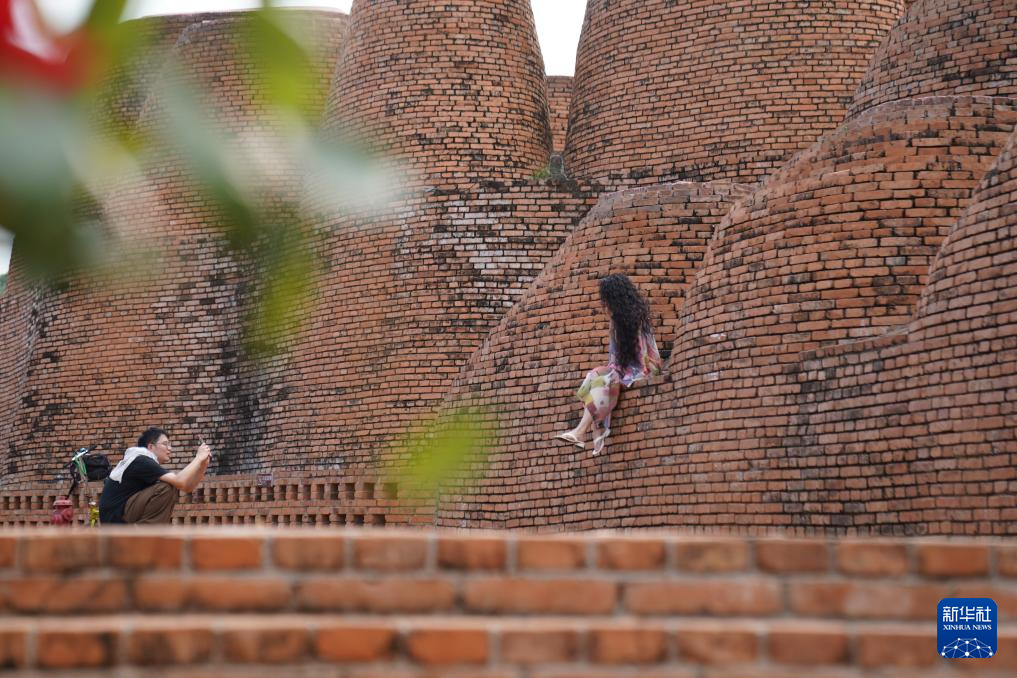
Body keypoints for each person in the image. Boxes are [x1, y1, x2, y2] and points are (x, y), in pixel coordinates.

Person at [555, 274, 662, 456]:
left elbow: (644, 356)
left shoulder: (636, 320)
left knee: (605, 378)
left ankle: (582, 432)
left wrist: (618, 374)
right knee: (595, 375)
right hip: (622, 370)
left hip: (644, 368)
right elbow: (615, 360)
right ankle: (581, 432)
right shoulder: (616, 322)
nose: (604, 304)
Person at [98, 427, 212, 525]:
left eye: (170, 444)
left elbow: (187, 487)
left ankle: (148, 534)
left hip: (120, 514)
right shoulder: (141, 459)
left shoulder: (143, 460)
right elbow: (180, 481)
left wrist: (202, 465)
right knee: (166, 488)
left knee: (169, 486)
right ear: (151, 447)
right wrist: (198, 457)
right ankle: (146, 536)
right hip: (115, 520)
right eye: (165, 444)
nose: (170, 449)